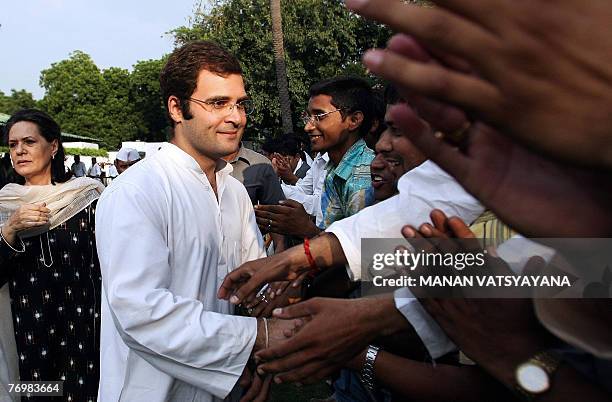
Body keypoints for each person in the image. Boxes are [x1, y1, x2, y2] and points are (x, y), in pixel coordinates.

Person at [94, 40, 292, 402]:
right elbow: (142, 313)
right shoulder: (137, 192)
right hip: (151, 391)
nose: (236, 117)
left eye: (240, 103)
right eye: (218, 103)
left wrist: (272, 314)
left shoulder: (234, 193)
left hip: (225, 385)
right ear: (176, 108)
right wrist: (257, 338)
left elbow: (250, 285)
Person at [0, 109, 105, 402]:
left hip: (82, 329)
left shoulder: (87, 198)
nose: (19, 150)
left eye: (29, 142)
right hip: (26, 331)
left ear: (54, 146)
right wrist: (10, 230)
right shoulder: (4, 205)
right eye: (12, 144)